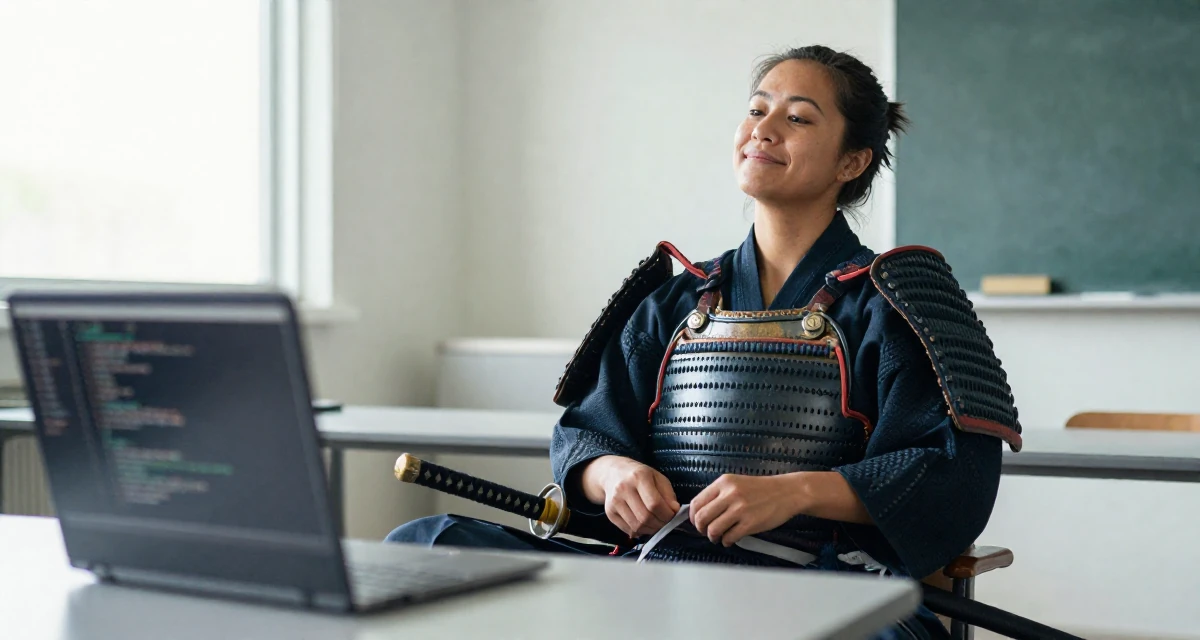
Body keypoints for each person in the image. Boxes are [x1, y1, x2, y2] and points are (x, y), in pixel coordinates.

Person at [386, 45, 1021, 640]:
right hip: (659, 573)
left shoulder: (896, 304)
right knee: (428, 544)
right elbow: (587, 434)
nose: (764, 128)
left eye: (797, 118)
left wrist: (795, 490)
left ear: (851, 162)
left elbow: (951, 476)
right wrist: (615, 476)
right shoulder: (672, 301)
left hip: (820, 590)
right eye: (757, 109)